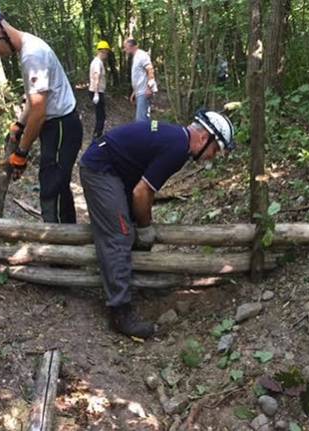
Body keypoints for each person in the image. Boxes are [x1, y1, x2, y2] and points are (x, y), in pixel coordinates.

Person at [79, 111, 236, 338]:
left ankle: (131, 281)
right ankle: (120, 312)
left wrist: (141, 223)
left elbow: (143, 190)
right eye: (215, 150)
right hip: (100, 169)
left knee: (130, 224)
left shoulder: (177, 140)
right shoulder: (177, 148)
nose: (213, 156)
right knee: (120, 234)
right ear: (204, 138)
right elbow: (142, 193)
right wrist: (145, 226)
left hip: (114, 169)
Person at [0, 4, 83, 223]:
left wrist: (21, 153)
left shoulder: (32, 55)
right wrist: (20, 125)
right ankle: (69, 241)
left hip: (60, 127)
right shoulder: (27, 48)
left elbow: (39, 111)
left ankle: (57, 246)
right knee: (58, 187)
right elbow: (34, 100)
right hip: (57, 126)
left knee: (51, 189)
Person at [122, 38, 157, 121]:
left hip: (144, 92)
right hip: (140, 92)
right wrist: (134, 92)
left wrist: (149, 88)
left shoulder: (141, 55)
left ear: (131, 46)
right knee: (145, 118)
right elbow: (140, 77)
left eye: (125, 47)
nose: (124, 49)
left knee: (141, 120)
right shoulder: (136, 57)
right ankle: (151, 132)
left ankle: (146, 133)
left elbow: (150, 69)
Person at [89, 40, 110, 139]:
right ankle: (97, 136)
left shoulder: (97, 62)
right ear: (103, 51)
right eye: (107, 52)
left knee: (101, 115)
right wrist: (96, 94)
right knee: (101, 116)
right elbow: (96, 77)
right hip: (96, 92)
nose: (107, 54)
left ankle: (98, 134)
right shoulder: (97, 62)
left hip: (97, 91)